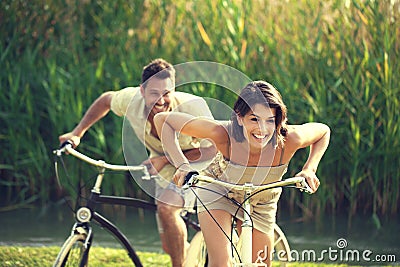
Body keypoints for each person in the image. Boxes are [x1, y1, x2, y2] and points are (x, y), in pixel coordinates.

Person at [154, 80, 330, 267]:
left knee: (260, 264)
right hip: (219, 190)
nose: (262, 129)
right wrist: (181, 165)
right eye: (254, 119)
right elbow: (163, 120)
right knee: (220, 263)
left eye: (270, 120)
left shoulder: (290, 139)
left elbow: (323, 132)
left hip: (262, 199)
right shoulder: (223, 133)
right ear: (239, 117)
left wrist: (309, 169)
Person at [59, 58, 215, 267]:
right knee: (170, 245)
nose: (161, 101)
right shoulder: (131, 100)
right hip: (164, 163)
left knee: (167, 208)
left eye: (166, 93)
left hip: (197, 164)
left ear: (174, 89)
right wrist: (77, 133)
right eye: (154, 93)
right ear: (142, 91)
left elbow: (212, 150)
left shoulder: (193, 108)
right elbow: (106, 100)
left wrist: (163, 159)